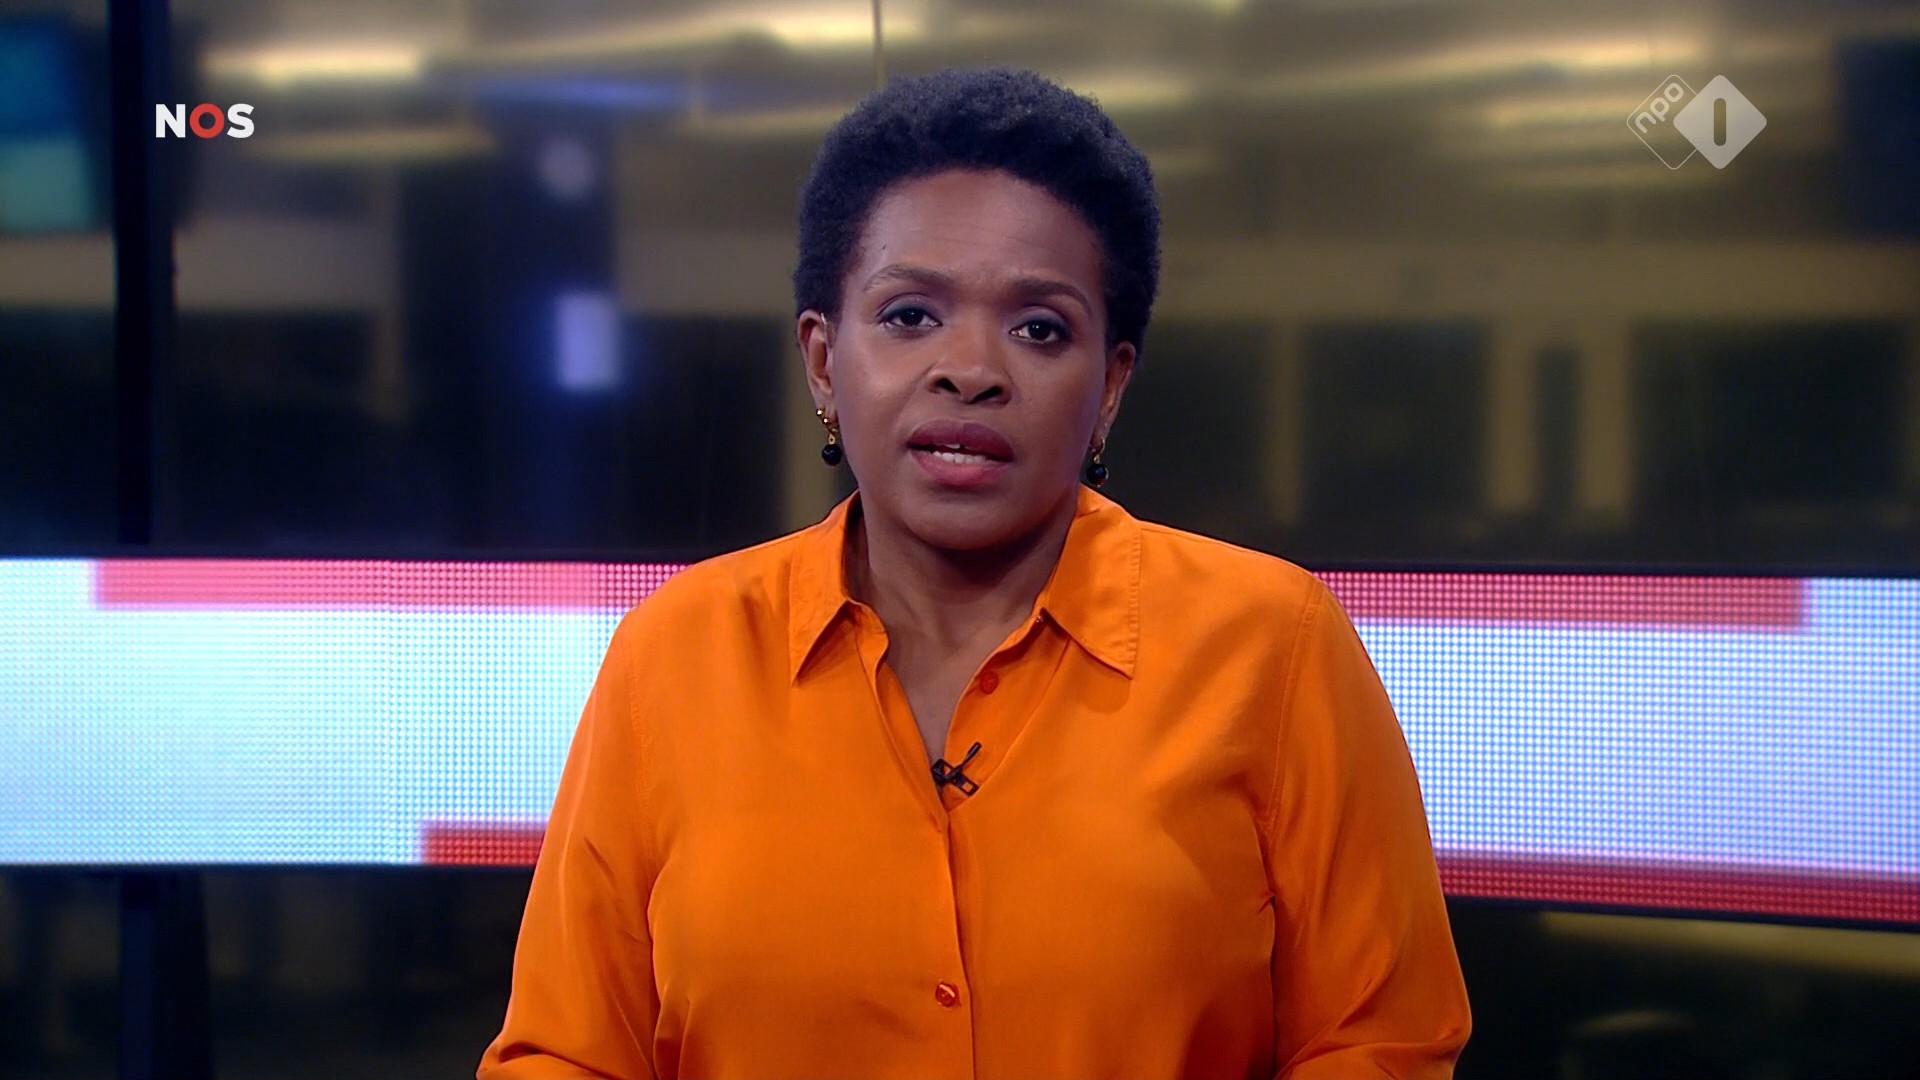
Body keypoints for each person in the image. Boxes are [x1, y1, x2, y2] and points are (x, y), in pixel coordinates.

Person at [479, 67, 1469, 1079]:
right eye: (910, 315)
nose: (971, 369)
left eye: (1040, 328)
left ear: (1110, 384)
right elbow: (565, 1053)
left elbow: (1380, 1045)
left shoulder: (1273, 646)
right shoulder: (674, 654)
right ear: (822, 360)